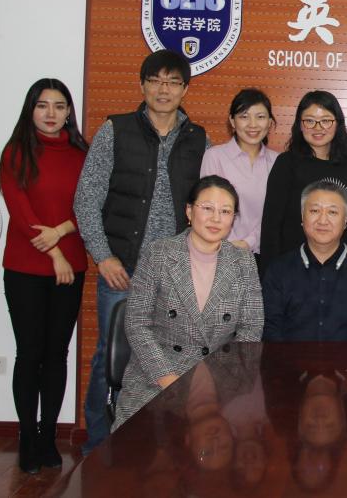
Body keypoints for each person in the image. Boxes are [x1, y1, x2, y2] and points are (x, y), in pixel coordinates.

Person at [74, 49, 207, 453]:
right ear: (142, 85)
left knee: (172, 359)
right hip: (124, 269)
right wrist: (103, 256)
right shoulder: (115, 130)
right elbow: (86, 198)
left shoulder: (198, 139)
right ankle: (98, 447)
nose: (163, 90)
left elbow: (206, 206)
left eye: (173, 82)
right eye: (155, 81)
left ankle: (157, 448)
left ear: (185, 89)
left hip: (176, 273)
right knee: (110, 358)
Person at [112, 175, 264, 430]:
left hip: (222, 380)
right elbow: (137, 323)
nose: (216, 218)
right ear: (189, 211)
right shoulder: (159, 253)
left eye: (225, 211)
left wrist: (223, 380)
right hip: (157, 379)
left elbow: (251, 327)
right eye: (208, 208)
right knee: (140, 449)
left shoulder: (243, 261)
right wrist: (167, 379)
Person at [0, 78, 89, 473]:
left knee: (56, 354)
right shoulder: (16, 152)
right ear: (30, 110)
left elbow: (91, 205)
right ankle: (27, 438)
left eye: (59, 106)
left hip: (72, 267)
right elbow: (20, 212)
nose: (51, 113)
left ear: (69, 113)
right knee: (29, 353)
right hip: (25, 268)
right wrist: (55, 254)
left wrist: (62, 233)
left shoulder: (83, 154)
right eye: (42, 105)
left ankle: (48, 435)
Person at [262, 178, 347, 341]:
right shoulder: (278, 270)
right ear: (302, 217)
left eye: (332, 212)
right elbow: (271, 331)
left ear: (345, 221)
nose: (323, 220)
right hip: (290, 358)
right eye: (314, 211)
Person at [260, 90, 347, 273]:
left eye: (326, 120)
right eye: (310, 121)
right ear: (300, 124)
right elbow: (271, 226)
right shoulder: (286, 163)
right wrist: (270, 273)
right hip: (293, 268)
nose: (318, 128)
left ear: (337, 123)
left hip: (340, 268)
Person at [200, 88, 278, 269]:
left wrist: (248, 242)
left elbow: (275, 215)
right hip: (219, 253)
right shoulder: (214, 157)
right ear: (232, 121)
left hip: (264, 256)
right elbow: (208, 208)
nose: (253, 124)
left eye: (260, 117)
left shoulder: (278, 162)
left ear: (269, 122)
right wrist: (231, 244)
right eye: (244, 116)